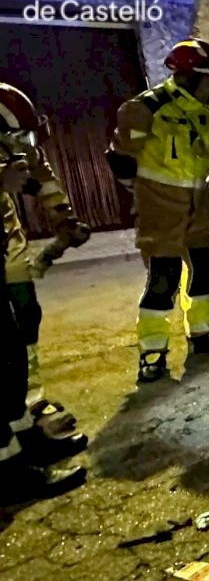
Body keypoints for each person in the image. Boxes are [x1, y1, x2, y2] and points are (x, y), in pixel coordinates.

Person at [108, 38, 209, 384]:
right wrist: (144, 197)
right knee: (163, 279)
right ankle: (152, 352)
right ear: (191, 76)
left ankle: (203, 333)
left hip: (196, 210)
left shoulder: (196, 110)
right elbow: (120, 160)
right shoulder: (146, 109)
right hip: (161, 212)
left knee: (201, 270)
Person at [0, 122, 87, 496]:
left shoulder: (12, 134)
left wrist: (65, 218)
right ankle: (9, 472)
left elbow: (39, 177)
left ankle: (23, 442)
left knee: (11, 349)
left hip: (5, 246)